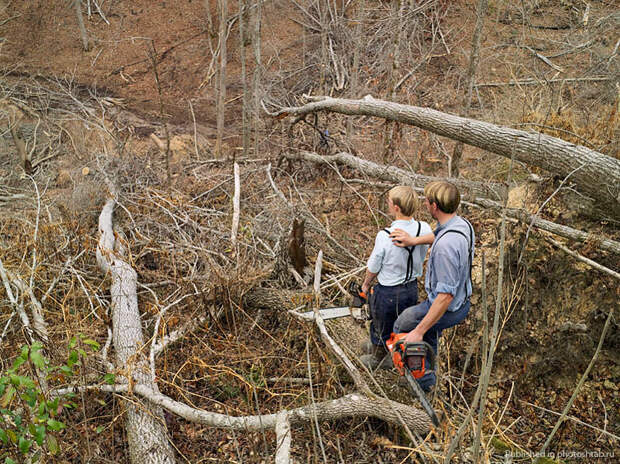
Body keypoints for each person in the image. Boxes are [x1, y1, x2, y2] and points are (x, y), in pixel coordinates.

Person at [390, 180, 475, 392]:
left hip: (450, 307)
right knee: (426, 329)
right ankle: (429, 361)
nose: (425, 205)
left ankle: (422, 381)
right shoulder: (461, 224)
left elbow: (445, 296)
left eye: (427, 202)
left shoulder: (446, 248)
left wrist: (418, 331)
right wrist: (414, 240)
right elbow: (438, 233)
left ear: (435, 206)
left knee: (404, 324)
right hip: (462, 300)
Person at [359, 186, 432, 370]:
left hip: (388, 290)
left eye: (390, 202)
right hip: (411, 287)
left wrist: (366, 285)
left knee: (380, 323)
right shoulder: (424, 228)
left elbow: (374, 265)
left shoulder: (385, 236)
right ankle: (392, 350)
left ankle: (379, 355)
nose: (389, 204)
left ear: (397, 207)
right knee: (403, 322)